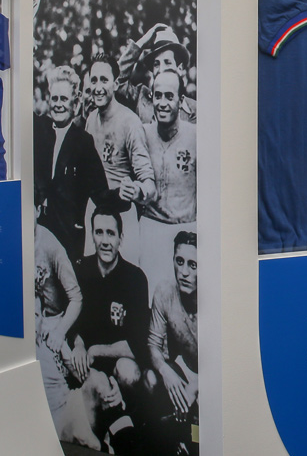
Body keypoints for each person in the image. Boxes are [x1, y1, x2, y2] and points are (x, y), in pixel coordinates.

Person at [68, 207, 150, 445]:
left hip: (117, 363)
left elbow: (137, 344)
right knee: (88, 376)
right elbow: (72, 321)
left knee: (129, 371)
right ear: (92, 235)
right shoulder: (81, 270)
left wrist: (95, 350)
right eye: (99, 233)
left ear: (120, 238)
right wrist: (80, 344)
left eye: (111, 234)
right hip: (90, 368)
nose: (105, 241)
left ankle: (126, 422)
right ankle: (117, 433)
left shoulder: (135, 278)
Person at [34, 66, 112, 264]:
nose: (58, 105)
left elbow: (101, 192)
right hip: (38, 233)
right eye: (54, 98)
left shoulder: (83, 142)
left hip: (68, 238)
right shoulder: (38, 132)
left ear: (75, 104)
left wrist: (125, 196)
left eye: (64, 99)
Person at [33, 224, 99, 448]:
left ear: (39, 209)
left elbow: (76, 298)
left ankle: (84, 427)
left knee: (92, 381)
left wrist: (60, 333)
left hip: (58, 322)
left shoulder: (50, 246)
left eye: (28, 209)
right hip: (36, 319)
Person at [84, 54, 155, 263]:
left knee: (125, 287)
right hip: (95, 213)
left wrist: (136, 190)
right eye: (94, 80)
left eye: (104, 80)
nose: (98, 87)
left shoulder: (130, 123)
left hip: (122, 215)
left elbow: (149, 183)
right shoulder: (90, 120)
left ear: (115, 84)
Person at [139, 70, 197, 294]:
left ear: (181, 100)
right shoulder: (141, 133)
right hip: (151, 231)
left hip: (185, 232)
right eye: (158, 95)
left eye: (169, 96)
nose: (162, 103)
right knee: (151, 302)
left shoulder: (196, 136)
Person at [145, 231, 198, 443]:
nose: (184, 272)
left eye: (193, 265)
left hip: (216, 376)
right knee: (150, 378)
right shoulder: (165, 291)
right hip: (184, 370)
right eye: (179, 261)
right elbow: (152, 344)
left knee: (201, 439)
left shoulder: (220, 297)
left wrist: (196, 387)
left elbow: (232, 360)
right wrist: (165, 371)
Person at [117, 23, 196, 124]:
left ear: (179, 68)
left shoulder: (194, 109)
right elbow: (116, 82)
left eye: (167, 63)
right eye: (156, 64)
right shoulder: (141, 98)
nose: (161, 69)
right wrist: (140, 45)